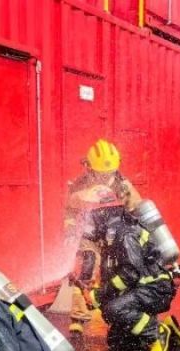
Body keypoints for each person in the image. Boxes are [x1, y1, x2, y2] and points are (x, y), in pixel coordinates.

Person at [81, 187, 180, 351]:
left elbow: (130, 274)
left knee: (114, 309)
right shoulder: (112, 237)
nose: (91, 223)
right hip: (141, 288)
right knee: (118, 344)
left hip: (154, 289)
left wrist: (99, 295)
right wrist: (97, 294)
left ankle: (157, 332)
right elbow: (116, 275)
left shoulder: (126, 235)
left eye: (93, 216)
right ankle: (168, 329)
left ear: (104, 214)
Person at [65, 139, 143, 335]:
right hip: (90, 235)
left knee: (120, 273)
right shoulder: (79, 184)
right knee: (88, 266)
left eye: (109, 172)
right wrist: (69, 231)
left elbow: (136, 207)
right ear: (89, 167)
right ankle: (78, 316)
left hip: (114, 236)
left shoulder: (121, 182)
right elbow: (70, 210)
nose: (106, 176)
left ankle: (121, 314)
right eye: (101, 173)